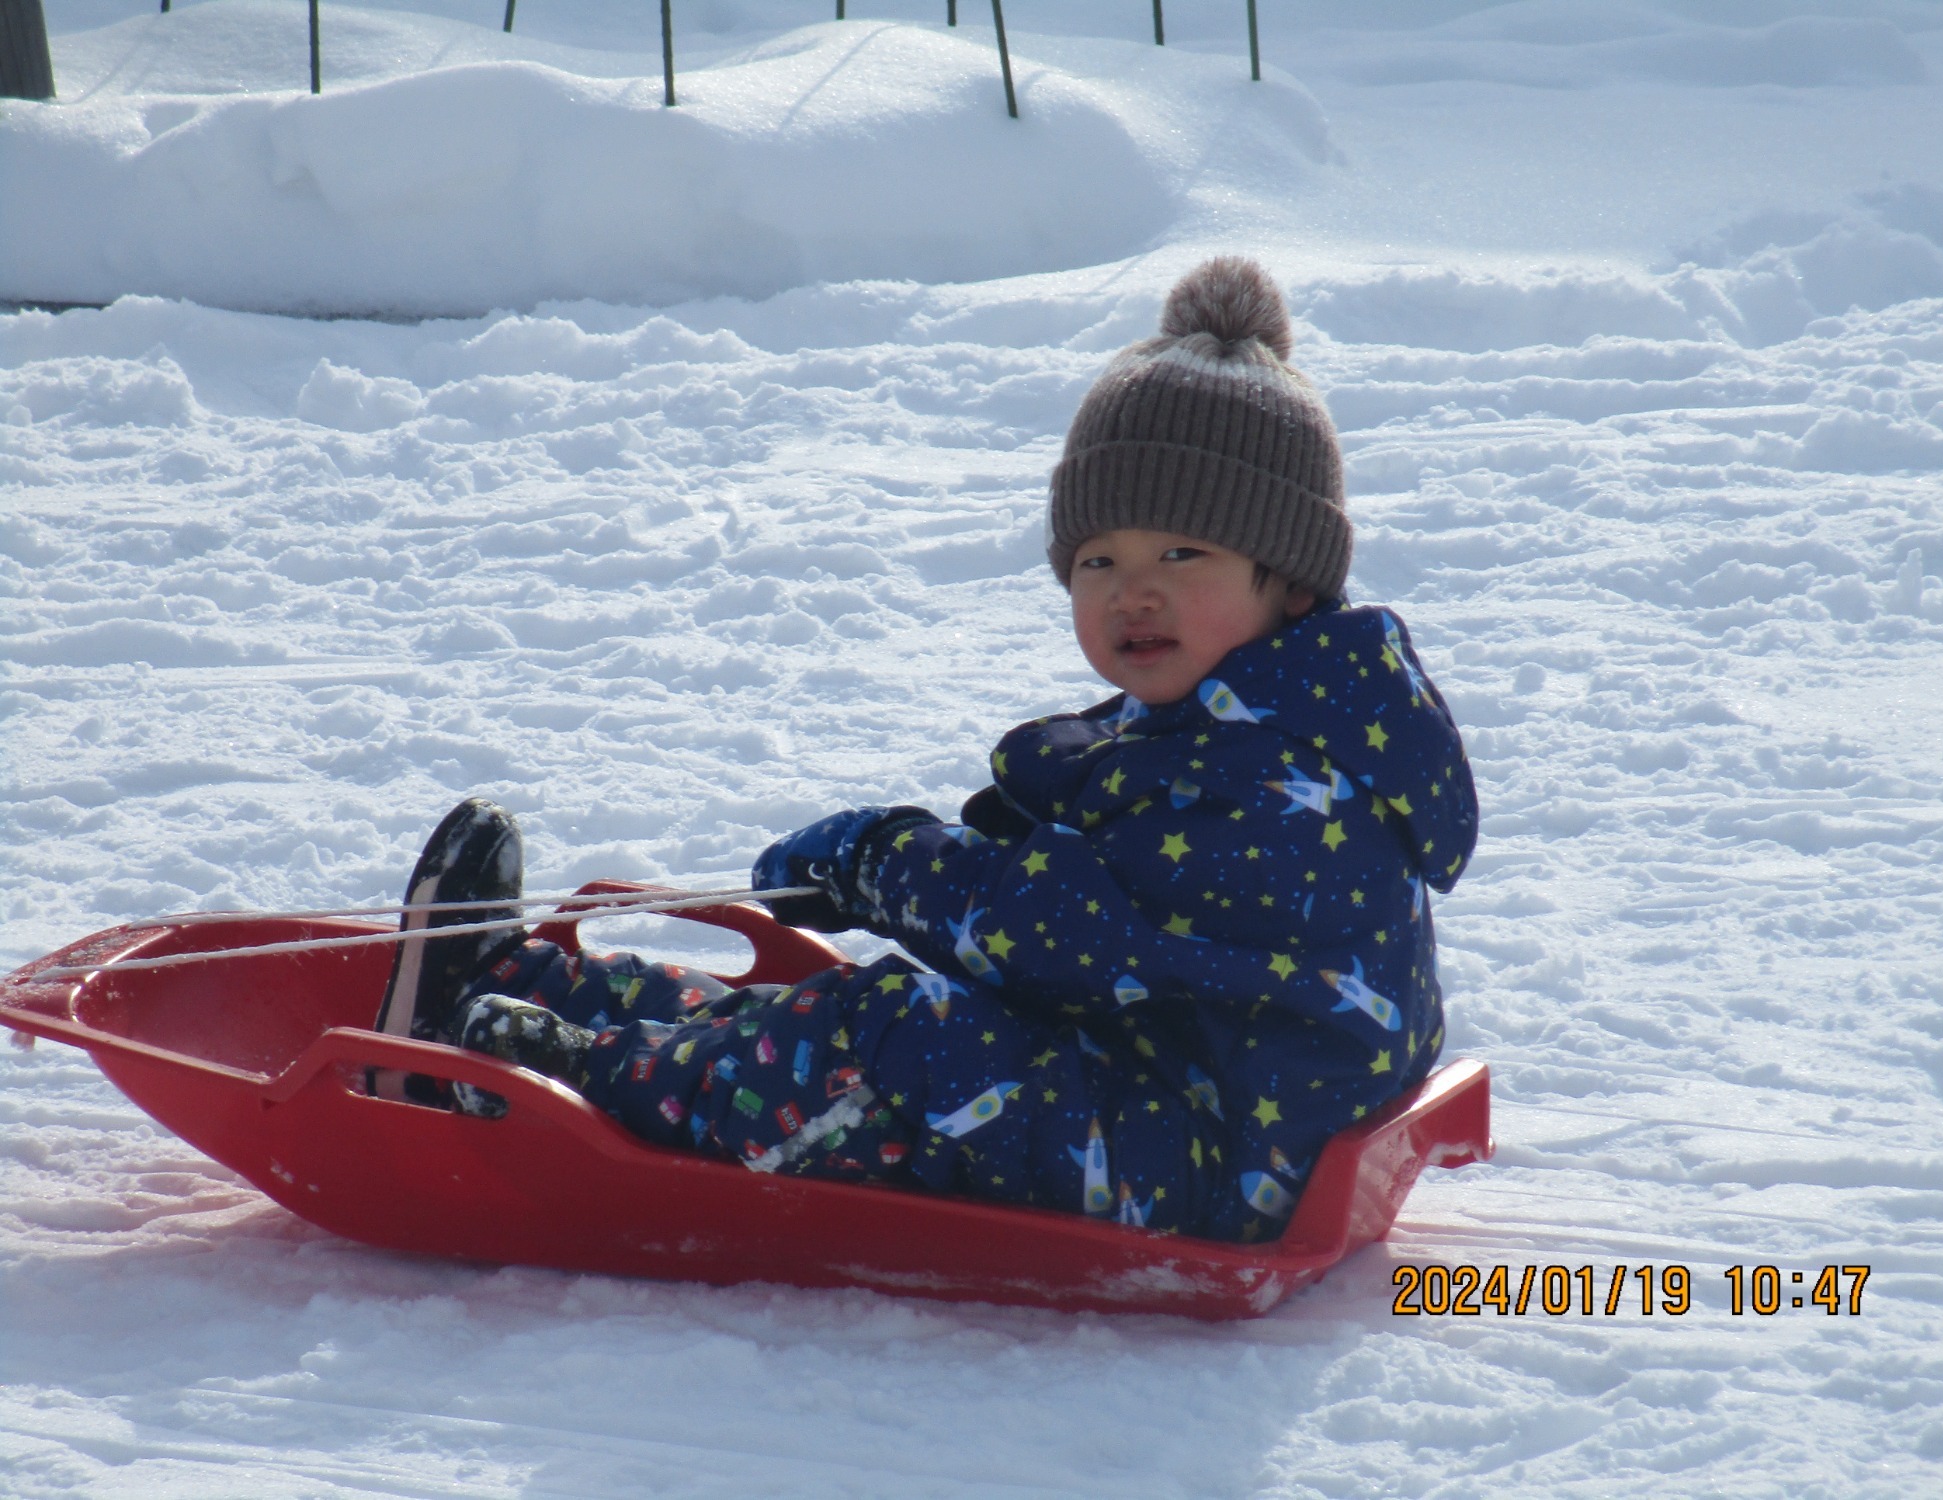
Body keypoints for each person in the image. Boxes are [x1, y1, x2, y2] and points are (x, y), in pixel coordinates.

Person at [373, 257, 1478, 1243]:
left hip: (1208, 1165)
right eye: (1095, 560)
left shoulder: (1282, 783)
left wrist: (888, 862)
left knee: (909, 1034)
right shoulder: (1269, 728)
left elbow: (1053, 930)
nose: (1131, 591)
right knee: (871, 1022)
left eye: (1181, 551)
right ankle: (527, 989)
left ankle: (560, 1079)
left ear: (1285, 579)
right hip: (1164, 1090)